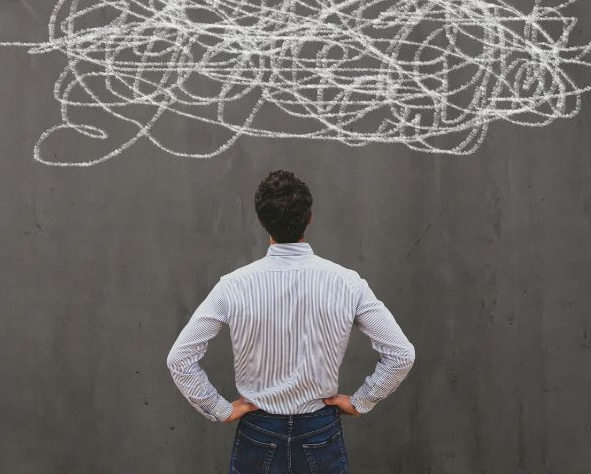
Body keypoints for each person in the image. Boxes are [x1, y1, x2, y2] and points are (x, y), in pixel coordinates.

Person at [166, 170, 416, 473]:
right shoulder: (347, 283)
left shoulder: (233, 286)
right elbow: (401, 355)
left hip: (258, 432)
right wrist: (361, 401)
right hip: (320, 431)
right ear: (309, 217)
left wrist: (219, 409)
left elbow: (180, 359)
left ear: (262, 221)